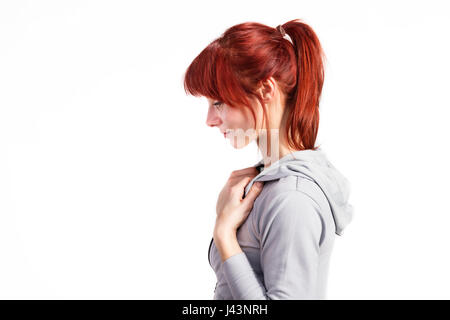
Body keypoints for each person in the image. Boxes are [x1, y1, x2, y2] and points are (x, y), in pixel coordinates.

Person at [183, 19, 354, 299]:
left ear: (266, 91)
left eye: (218, 102)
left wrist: (225, 234)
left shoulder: (292, 197)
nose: (210, 120)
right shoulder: (267, 183)